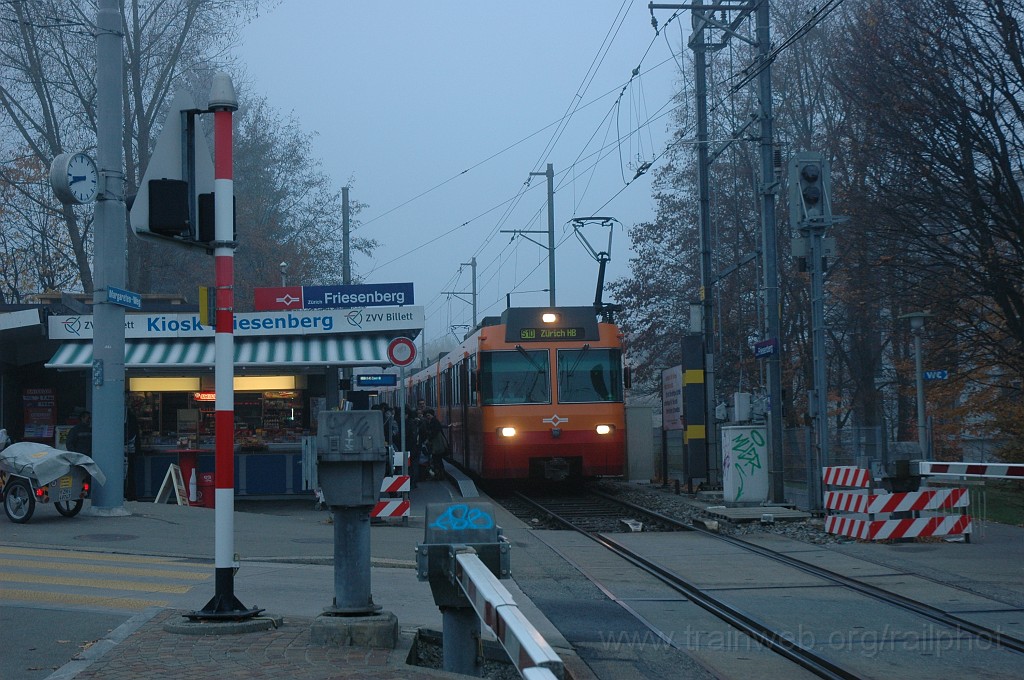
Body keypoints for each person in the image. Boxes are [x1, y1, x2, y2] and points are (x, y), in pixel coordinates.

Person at [421, 408, 448, 479]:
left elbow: (434, 432)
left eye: (428, 415)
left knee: (437, 459)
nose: (427, 417)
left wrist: (428, 438)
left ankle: (439, 474)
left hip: (437, 444)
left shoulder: (433, 422)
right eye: (427, 416)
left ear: (431, 415)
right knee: (437, 459)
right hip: (437, 443)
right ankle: (440, 474)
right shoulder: (434, 421)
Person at [124, 408, 140, 501]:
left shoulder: (128, 419)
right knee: (130, 473)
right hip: (131, 450)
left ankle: (128, 493)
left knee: (128, 473)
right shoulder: (131, 418)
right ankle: (130, 494)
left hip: (127, 450)